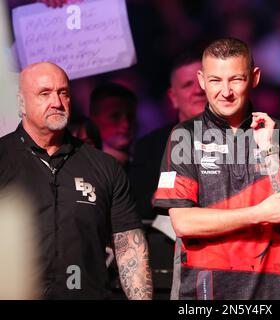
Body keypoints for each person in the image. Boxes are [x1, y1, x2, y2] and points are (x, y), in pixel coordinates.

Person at [153, 38, 280, 300]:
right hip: (204, 293)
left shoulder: (279, 132)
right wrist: (260, 213)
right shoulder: (184, 135)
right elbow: (183, 223)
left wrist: (270, 155)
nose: (225, 91)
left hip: (271, 293)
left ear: (255, 77)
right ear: (202, 80)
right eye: (215, 80)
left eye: (236, 79)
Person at [0, 62, 152, 299]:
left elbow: (130, 249)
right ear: (21, 103)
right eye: (44, 93)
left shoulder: (104, 166)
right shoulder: (3, 158)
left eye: (63, 93)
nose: (57, 102)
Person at [128, 52, 207, 299]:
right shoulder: (150, 147)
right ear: (173, 97)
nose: (198, 91)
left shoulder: (241, 140)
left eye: (203, 82)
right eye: (187, 85)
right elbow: (135, 206)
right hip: (169, 266)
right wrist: (160, 197)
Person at [90, 83, 137, 168]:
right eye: (115, 116)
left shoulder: (148, 162)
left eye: (130, 116)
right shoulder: (85, 169)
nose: (126, 124)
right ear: (94, 121)